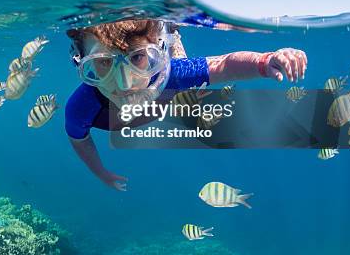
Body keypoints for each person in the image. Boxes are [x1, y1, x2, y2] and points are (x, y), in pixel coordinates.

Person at [65, 19, 307, 191]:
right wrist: (101, 173)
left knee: (183, 74)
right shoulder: (80, 108)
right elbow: (81, 141)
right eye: (103, 62)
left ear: (152, 54)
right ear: (80, 62)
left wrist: (265, 61)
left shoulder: (173, 74)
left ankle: (172, 34)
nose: (124, 82)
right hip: (156, 97)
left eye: (137, 57)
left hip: (168, 85)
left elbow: (224, 65)